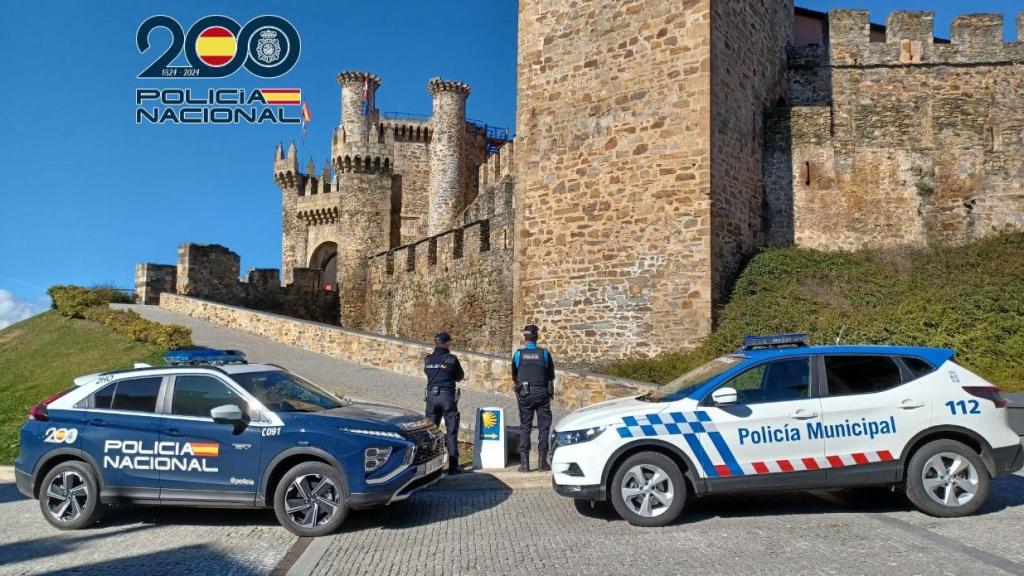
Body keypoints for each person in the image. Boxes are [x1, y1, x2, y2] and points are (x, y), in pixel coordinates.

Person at [511, 324, 555, 472]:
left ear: (525, 337)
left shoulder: (518, 354)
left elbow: (514, 374)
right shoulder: (544, 354)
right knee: (544, 427)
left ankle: (525, 464)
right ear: (537, 337)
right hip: (542, 392)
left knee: (525, 427)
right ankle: (542, 463)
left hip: (525, 393)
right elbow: (551, 375)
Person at [424, 332, 465, 475]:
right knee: (452, 432)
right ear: (447, 343)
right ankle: (453, 467)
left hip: (431, 398)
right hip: (447, 397)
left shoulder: (428, 359)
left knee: (430, 433)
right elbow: (460, 376)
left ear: (436, 343)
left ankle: (431, 469)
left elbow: (427, 373)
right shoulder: (451, 359)